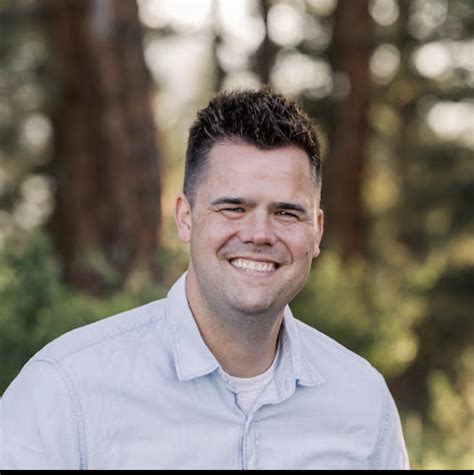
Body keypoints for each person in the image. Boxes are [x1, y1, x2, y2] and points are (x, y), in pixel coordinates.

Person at [1, 88, 409, 469]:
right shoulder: (66, 389)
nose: (259, 234)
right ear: (185, 218)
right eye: (233, 208)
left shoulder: (362, 401)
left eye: (286, 212)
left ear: (315, 232)